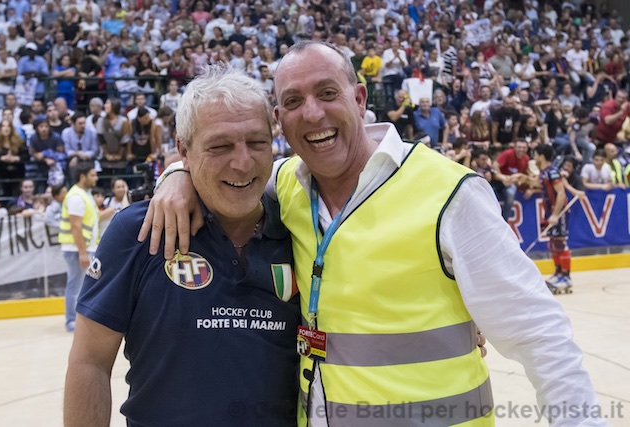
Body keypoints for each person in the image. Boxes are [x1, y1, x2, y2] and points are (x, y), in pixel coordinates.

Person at [142, 41, 609, 427]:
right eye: (293, 102)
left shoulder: (451, 194)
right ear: (279, 120)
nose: (313, 113)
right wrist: (177, 174)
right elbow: (224, 170)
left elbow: (540, 335)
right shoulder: (284, 185)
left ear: (360, 99)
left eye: (327, 93)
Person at [64, 65, 300, 427]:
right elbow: (90, 362)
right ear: (183, 150)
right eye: (219, 146)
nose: (242, 162)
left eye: (257, 142)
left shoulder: (300, 228)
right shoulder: (137, 232)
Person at [58, 162, 101, 332]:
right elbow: (75, 226)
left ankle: (76, 319)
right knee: (75, 286)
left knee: (79, 285)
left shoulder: (84, 195)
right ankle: (71, 320)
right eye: (92, 175)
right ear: (82, 176)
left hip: (84, 248)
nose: (96, 178)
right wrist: (82, 253)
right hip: (77, 249)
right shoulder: (76, 197)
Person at [532, 144, 572, 292]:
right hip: (549, 212)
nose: (534, 157)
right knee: (553, 244)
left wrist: (555, 214)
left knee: (560, 243)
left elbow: (561, 193)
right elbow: (538, 185)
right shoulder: (544, 173)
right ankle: (558, 272)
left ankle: (566, 277)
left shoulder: (553, 172)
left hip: (559, 212)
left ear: (542, 156)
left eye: (535, 154)